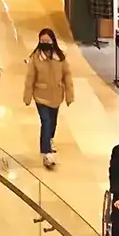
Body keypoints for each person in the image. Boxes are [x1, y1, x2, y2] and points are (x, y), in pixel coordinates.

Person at [23, 27, 73, 167]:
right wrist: (27, 96)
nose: (45, 43)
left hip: (56, 95)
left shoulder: (60, 57)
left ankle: (49, 139)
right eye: (42, 40)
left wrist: (69, 94)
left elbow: (67, 75)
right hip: (41, 95)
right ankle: (46, 152)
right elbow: (30, 78)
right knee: (46, 121)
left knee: (53, 121)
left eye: (47, 40)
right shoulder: (35, 58)